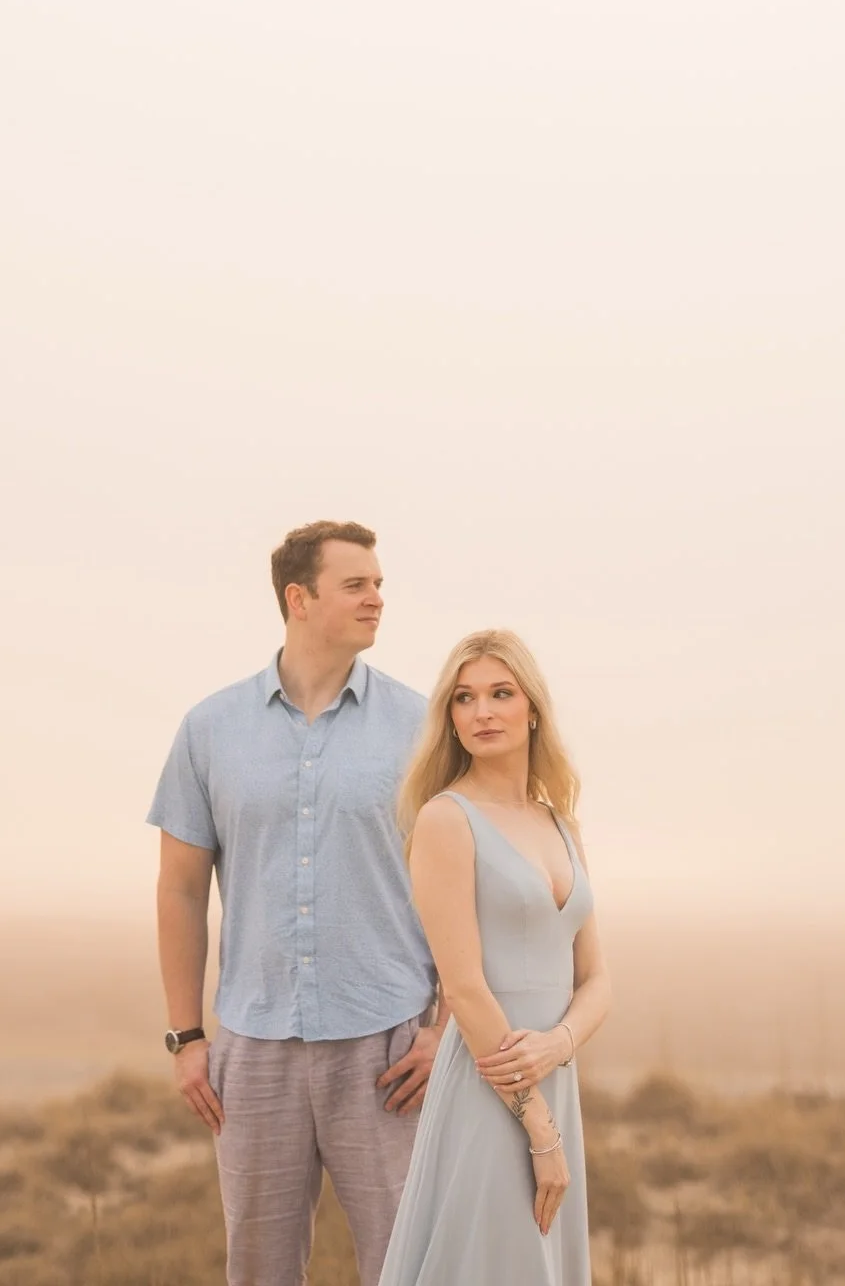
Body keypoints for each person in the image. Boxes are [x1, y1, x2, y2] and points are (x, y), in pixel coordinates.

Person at [147, 520, 443, 1286]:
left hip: (390, 1048)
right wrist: (187, 1038)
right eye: (357, 585)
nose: (378, 599)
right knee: (259, 1272)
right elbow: (179, 889)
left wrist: (443, 1028)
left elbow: (459, 885)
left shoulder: (422, 727)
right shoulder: (210, 729)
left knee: (407, 1267)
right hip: (252, 1051)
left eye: (380, 584)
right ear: (298, 598)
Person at [379, 629, 611, 1286]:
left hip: (552, 1082)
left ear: (531, 707)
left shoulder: (561, 824)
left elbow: (598, 980)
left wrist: (557, 1045)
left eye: (500, 693)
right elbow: (466, 989)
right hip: (494, 1088)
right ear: (449, 718)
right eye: (464, 698)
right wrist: (539, 1128)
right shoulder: (446, 820)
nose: (481, 712)